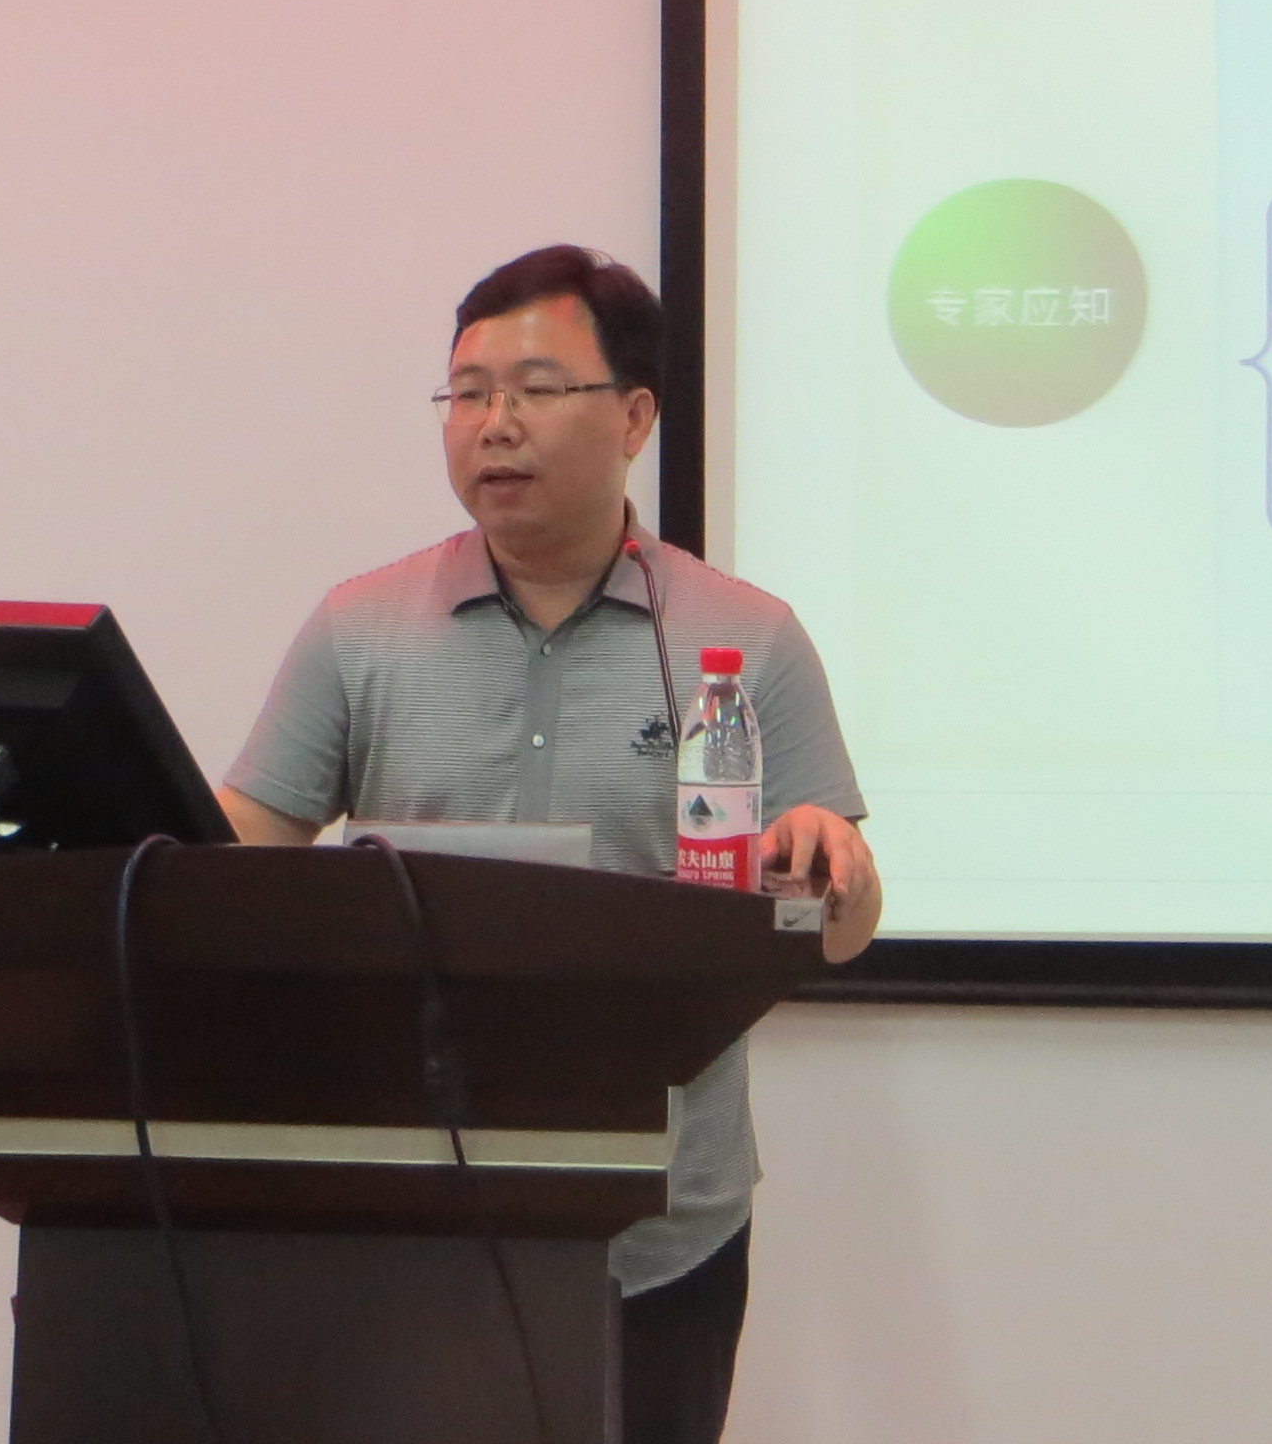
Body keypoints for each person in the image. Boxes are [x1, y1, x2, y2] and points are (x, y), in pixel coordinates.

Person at [218, 243, 879, 1444]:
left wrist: (826, 863)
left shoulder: (746, 638)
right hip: (400, 1201)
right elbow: (240, 849)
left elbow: (840, 930)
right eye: (467, 393)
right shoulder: (362, 628)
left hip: (658, 1225)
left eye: (533, 389)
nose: (494, 425)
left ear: (634, 418)